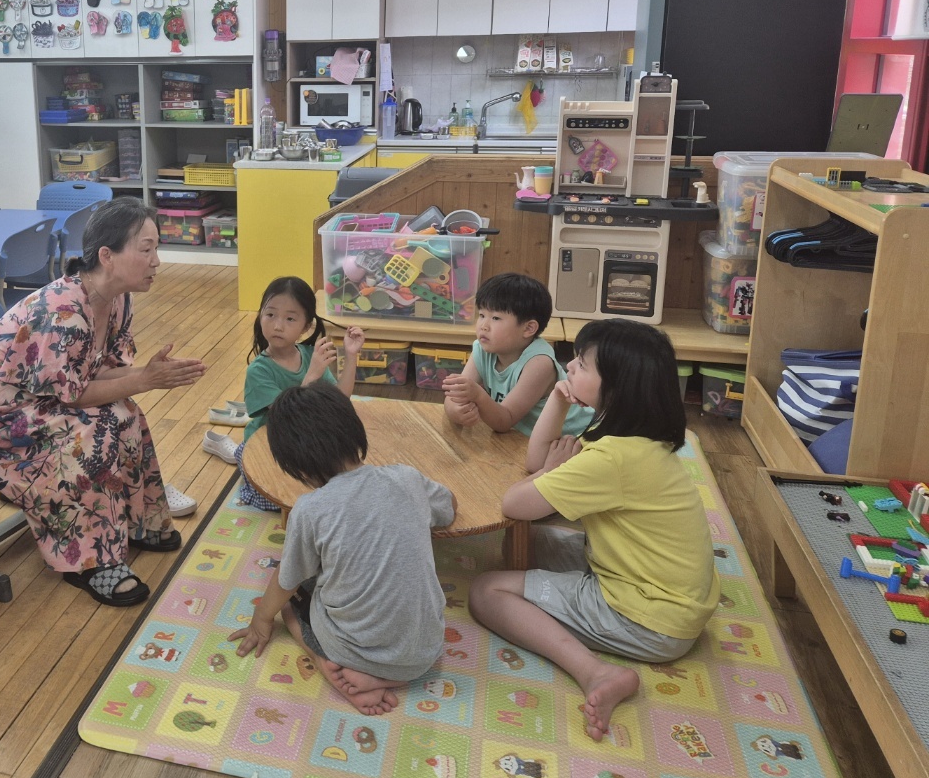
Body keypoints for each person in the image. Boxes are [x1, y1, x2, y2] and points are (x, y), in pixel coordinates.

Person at [468, 318, 719, 741]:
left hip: (649, 618)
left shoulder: (611, 459)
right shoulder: (632, 437)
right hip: (660, 590)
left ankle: (595, 671)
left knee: (485, 589)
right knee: (525, 542)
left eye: (582, 364)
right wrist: (558, 401)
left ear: (616, 388)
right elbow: (536, 462)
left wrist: (550, 472)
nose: (568, 366)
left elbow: (515, 503)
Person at [0, 198, 206, 608]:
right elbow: (73, 393)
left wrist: (144, 376)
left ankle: (133, 520)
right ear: (107, 256)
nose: (156, 261)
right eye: (146, 249)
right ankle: (90, 560)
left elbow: (95, 372)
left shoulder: (116, 297)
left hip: (37, 398)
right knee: (89, 434)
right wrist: (144, 379)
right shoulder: (63, 312)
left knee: (124, 411)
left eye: (156, 248)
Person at [229, 382, 455, 715]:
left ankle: (328, 666)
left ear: (297, 467)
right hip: (424, 652)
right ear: (354, 432)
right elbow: (448, 507)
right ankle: (385, 676)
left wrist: (261, 619)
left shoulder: (310, 509)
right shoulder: (407, 478)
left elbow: (288, 579)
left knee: (288, 600)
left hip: (350, 653)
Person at [201, 275, 364, 510]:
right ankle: (235, 452)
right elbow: (288, 416)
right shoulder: (259, 370)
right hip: (270, 442)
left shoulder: (309, 355)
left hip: (302, 440)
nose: (278, 326)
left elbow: (340, 399)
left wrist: (351, 355)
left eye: (290, 318)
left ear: (306, 326)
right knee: (284, 497)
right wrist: (312, 374)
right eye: (270, 315)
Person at [442, 273, 592, 469]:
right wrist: (454, 410)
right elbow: (455, 395)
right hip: (522, 435)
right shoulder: (482, 349)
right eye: (482, 315)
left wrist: (477, 395)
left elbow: (505, 421)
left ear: (528, 328)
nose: (483, 326)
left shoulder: (539, 363)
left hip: (570, 439)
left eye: (496, 318)